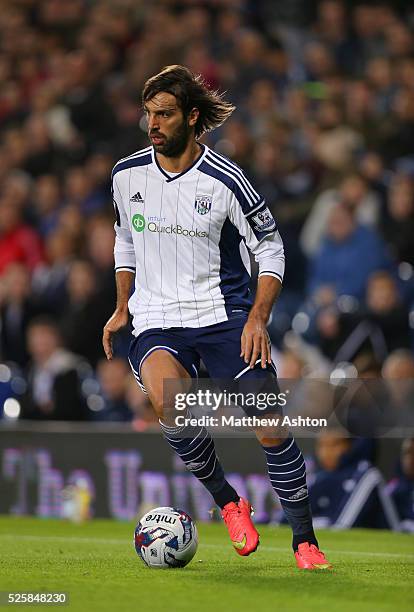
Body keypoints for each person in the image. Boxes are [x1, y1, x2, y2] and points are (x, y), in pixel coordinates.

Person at [103, 65, 332, 570]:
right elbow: (125, 238)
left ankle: (304, 542)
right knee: (169, 401)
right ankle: (229, 502)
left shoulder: (226, 180)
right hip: (157, 315)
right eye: (148, 114)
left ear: (190, 117)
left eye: (164, 114)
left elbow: (270, 247)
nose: (153, 124)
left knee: (270, 427)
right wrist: (122, 305)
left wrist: (257, 318)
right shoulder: (126, 175)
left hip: (224, 316)